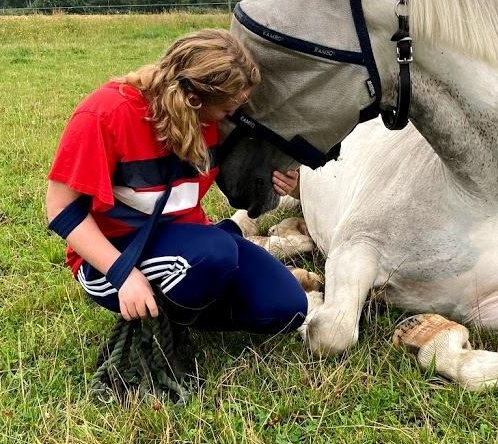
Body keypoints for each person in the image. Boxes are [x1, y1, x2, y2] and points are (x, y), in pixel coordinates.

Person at [46, 29, 307, 335]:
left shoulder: (209, 120)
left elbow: (245, 186)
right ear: (194, 99)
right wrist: (123, 275)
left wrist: (279, 179)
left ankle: (189, 305)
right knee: (216, 254)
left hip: (190, 240)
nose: (233, 116)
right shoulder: (106, 112)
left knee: (288, 309)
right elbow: (61, 209)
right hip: (115, 253)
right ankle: (159, 324)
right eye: (228, 109)